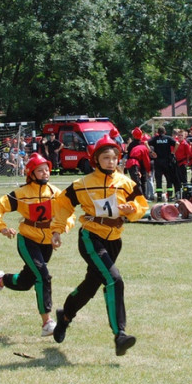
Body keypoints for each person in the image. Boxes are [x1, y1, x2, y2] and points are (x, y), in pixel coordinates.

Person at [50, 136, 149, 356]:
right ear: (96, 159)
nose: (111, 161)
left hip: (115, 240)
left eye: (114, 158)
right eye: (106, 157)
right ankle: (119, 334)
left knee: (91, 285)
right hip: (90, 237)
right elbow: (63, 204)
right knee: (114, 280)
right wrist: (56, 230)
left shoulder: (126, 182)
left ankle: (65, 316)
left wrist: (132, 208)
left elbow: (142, 205)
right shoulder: (82, 184)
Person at [0, 153, 74, 336]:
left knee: (27, 282)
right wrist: (2, 227)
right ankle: (47, 323)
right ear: (31, 174)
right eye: (40, 170)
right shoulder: (21, 194)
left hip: (47, 242)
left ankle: (2, 280)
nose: (45, 173)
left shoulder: (55, 193)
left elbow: (68, 212)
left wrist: (62, 228)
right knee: (43, 277)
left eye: (47, 170)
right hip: (27, 240)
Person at [147, 126, 177, 201]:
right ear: (165, 132)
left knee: (158, 180)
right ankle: (170, 197)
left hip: (158, 162)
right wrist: (173, 152)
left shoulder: (155, 139)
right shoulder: (168, 138)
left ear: (158, 132)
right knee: (169, 179)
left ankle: (159, 197)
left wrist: (151, 152)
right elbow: (177, 143)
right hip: (167, 162)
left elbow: (145, 142)